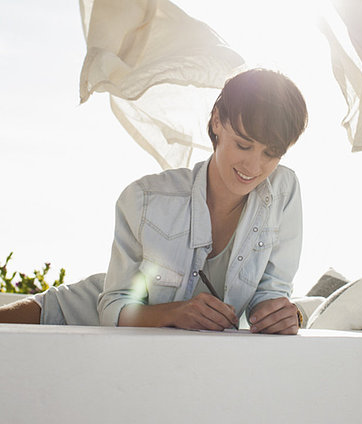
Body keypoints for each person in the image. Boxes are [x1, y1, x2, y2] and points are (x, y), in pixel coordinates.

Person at [0, 69, 308, 334]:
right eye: (244, 145)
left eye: (271, 153)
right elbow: (111, 304)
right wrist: (173, 313)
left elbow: (271, 294)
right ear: (217, 121)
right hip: (81, 313)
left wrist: (285, 315)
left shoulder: (283, 192)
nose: (254, 167)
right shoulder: (145, 199)